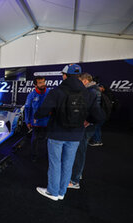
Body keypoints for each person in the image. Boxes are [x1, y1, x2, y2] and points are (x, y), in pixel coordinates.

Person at [34, 64, 104, 201]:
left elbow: (41, 112)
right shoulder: (87, 93)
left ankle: (52, 192)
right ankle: (61, 192)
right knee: (68, 163)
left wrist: (41, 115)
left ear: (65, 75)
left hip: (56, 133)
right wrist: (87, 121)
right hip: (76, 135)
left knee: (55, 163)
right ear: (79, 76)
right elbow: (99, 116)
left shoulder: (56, 92)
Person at [69, 73, 104, 189]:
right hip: (89, 126)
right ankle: (78, 174)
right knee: (80, 151)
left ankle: (74, 181)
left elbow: (92, 110)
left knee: (79, 152)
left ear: (84, 81)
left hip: (86, 127)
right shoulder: (94, 90)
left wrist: (87, 120)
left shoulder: (91, 91)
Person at [24, 76, 50, 161]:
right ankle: (34, 156)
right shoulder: (31, 95)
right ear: (35, 84)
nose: (43, 84)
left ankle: (48, 156)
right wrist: (27, 121)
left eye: (43, 82)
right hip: (36, 123)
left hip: (48, 122)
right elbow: (27, 108)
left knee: (48, 141)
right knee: (35, 140)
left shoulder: (49, 92)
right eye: (40, 83)